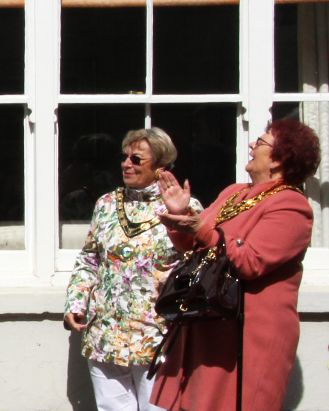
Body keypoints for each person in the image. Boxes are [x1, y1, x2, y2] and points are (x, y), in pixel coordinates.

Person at [151, 119, 321, 410]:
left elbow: (249, 262)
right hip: (206, 324)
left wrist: (200, 230)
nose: (252, 145)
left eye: (261, 142)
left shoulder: (292, 206)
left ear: (280, 158)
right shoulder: (234, 192)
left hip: (246, 336)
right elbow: (197, 244)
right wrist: (181, 215)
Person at [64, 128, 202, 411]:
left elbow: (199, 264)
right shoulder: (105, 204)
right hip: (106, 333)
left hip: (159, 335)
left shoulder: (186, 208)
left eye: (137, 159)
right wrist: (76, 302)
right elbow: (89, 259)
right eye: (124, 157)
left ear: (161, 166)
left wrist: (182, 215)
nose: (127, 164)